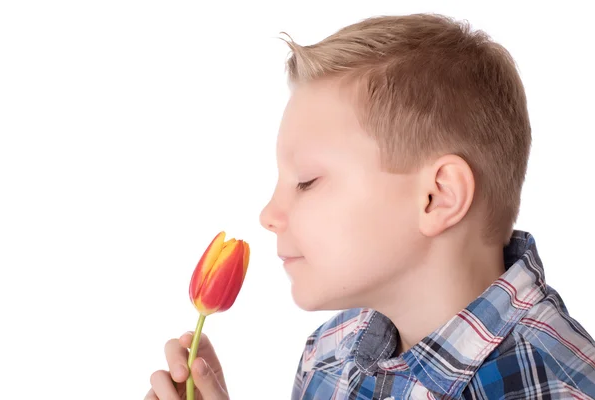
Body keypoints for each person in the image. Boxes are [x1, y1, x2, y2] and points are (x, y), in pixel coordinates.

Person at [145, 13, 595, 399]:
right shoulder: (330, 354)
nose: (268, 214)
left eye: (307, 181)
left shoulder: (561, 386)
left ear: (437, 197)